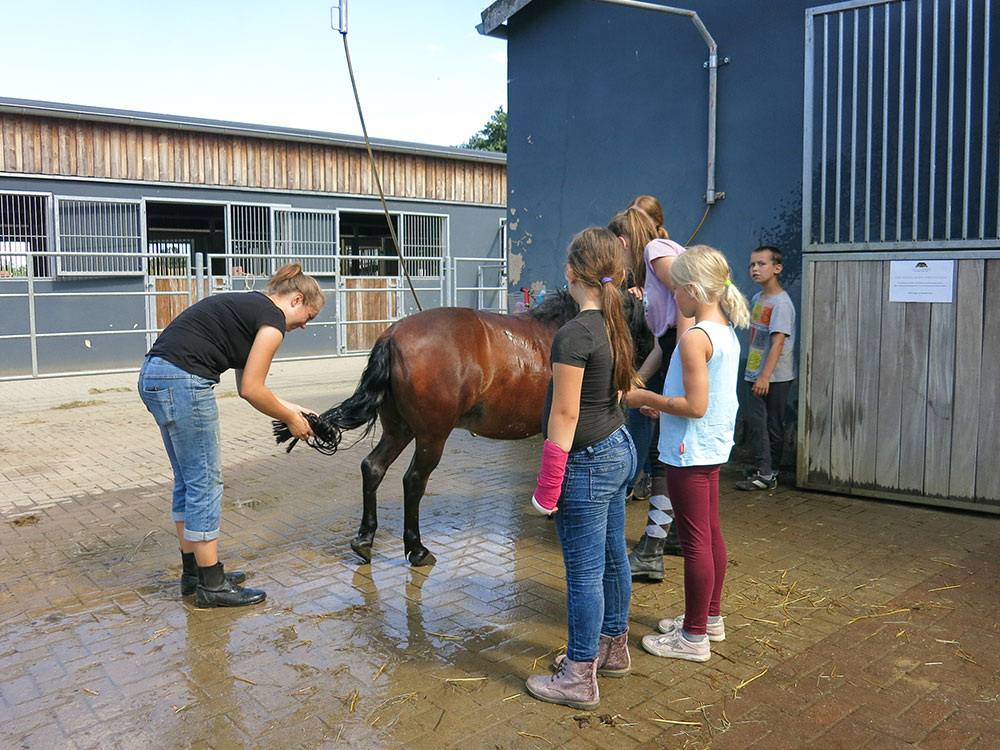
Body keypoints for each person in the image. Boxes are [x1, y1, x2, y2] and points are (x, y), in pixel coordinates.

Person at [138, 263, 324, 608]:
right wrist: (290, 421)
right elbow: (253, 391)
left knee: (188, 481)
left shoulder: (251, 307)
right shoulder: (272, 323)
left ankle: (194, 573)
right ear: (296, 299)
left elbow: (249, 386)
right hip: (184, 381)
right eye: (307, 317)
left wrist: (297, 410)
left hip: (156, 376)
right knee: (205, 482)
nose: (302, 326)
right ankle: (212, 585)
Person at [525, 227, 638, 710]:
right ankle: (614, 647)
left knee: (586, 572)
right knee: (613, 558)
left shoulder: (573, 333)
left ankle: (577, 675)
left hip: (588, 462)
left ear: (570, 272)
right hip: (616, 447)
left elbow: (565, 414)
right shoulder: (613, 322)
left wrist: (548, 485)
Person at [625, 245, 750, 662]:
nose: (673, 296)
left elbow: (693, 405)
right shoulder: (725, 331)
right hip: (709, 445)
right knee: (709, 533)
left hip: (688, 451)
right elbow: (700, 400)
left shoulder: (696, 337)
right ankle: (708, 618)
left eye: (676, 289)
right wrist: (660, 401)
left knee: (696, 541)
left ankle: (693, 637)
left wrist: (646, 396)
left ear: (694, 289)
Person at [611, 209, 694, 581]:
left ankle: (651, 549)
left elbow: (687, 296)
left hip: (684, 353)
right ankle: (672, 535)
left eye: (616, 250)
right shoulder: (650, 265)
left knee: (664, 453)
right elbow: (662, 339)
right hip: (671, 351)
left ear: (624, 242)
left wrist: (680, 374)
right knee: (667, 450)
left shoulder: (655, 250)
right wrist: (637, 383)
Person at [736, 246, 796, 491]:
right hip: (756, 373)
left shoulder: (781, 304)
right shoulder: (757, 298)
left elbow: (778, 342)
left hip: (772, 377)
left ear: (777, 268)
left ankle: (767, 474)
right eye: (752, 265)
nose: (755, 269)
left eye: (761, 264)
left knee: (769, 425)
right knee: (760, 423)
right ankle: (767, 468)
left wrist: (765, 377)